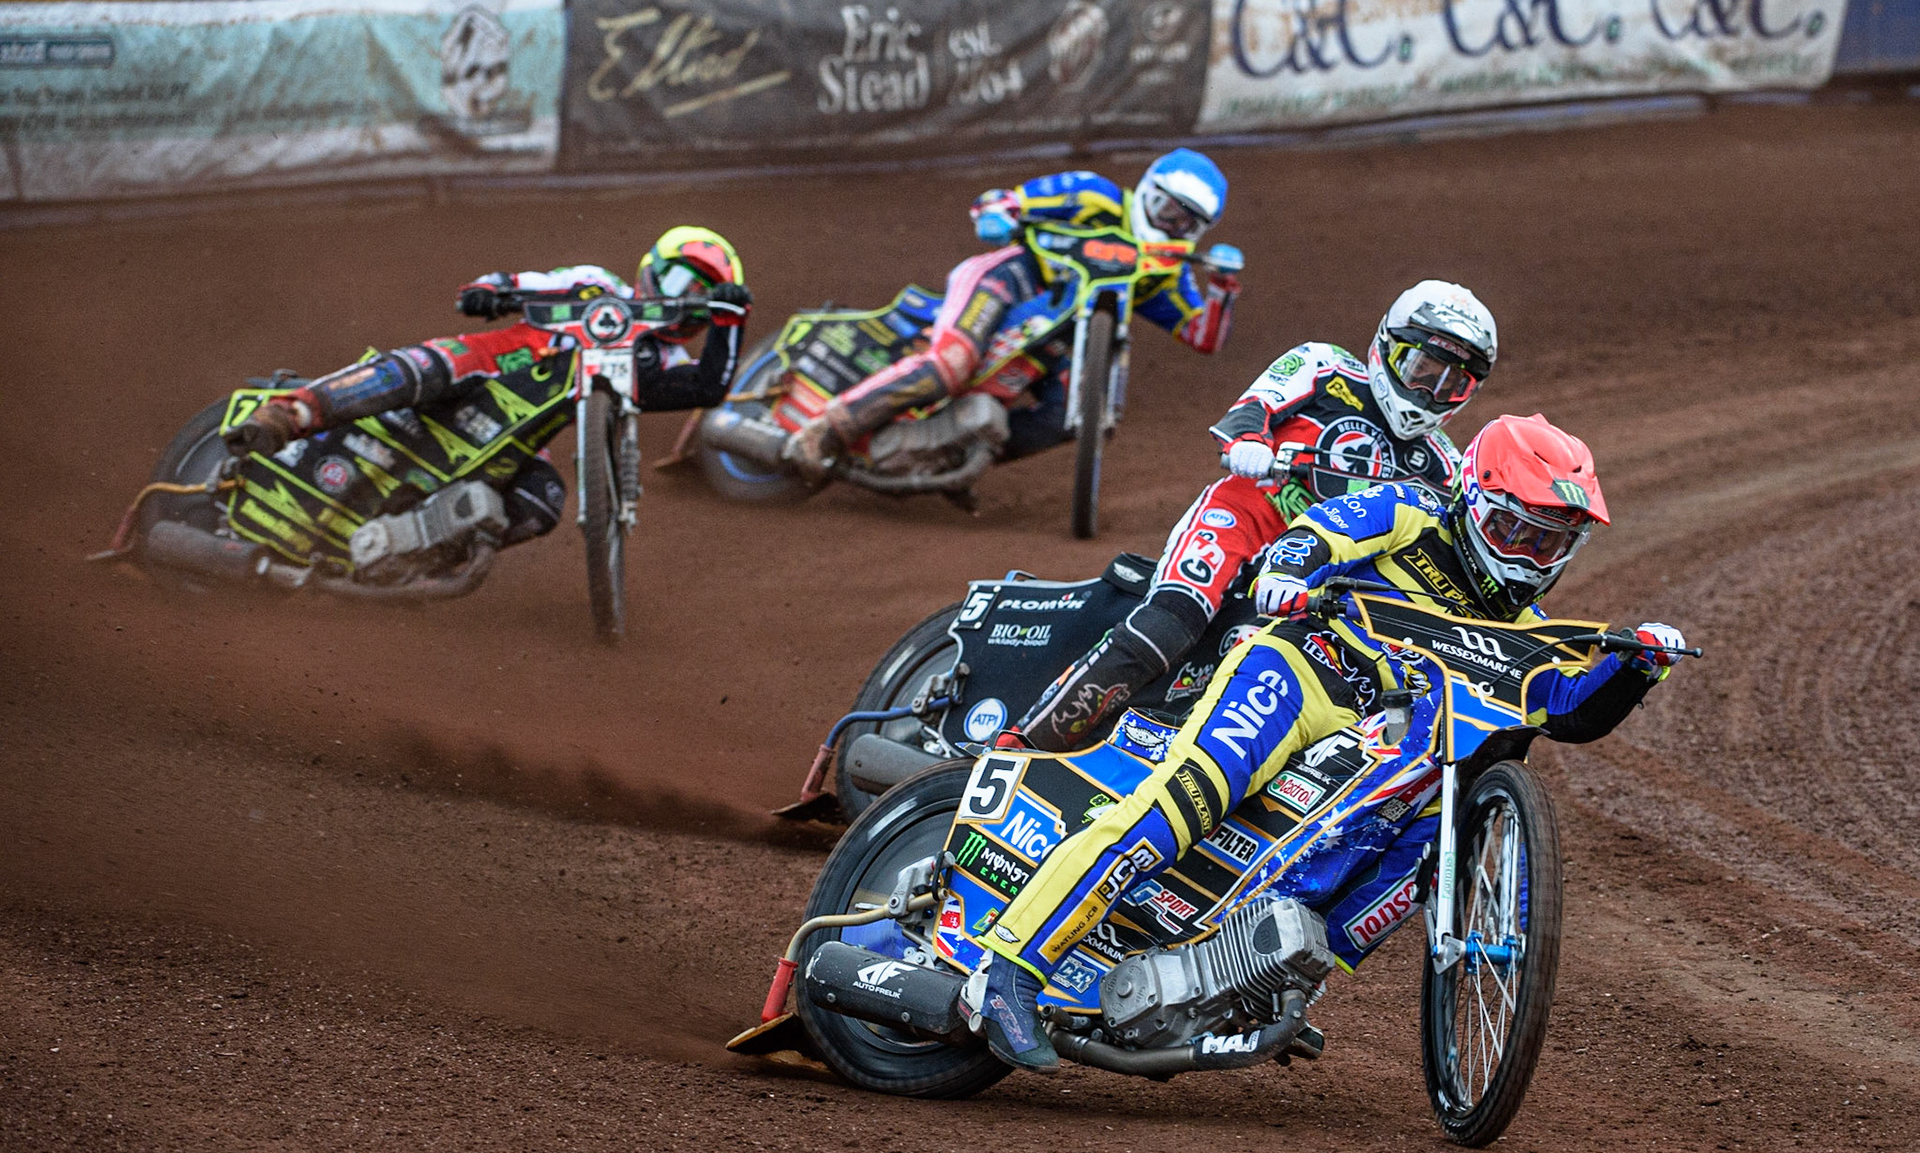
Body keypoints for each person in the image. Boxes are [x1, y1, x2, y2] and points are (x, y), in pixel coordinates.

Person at [964, 413, 1690, 1070]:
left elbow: (1571, 713)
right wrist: (1288, 570)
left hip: (1379, 734)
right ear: (1473, 500)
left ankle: (1249, 972)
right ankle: (1008, 971)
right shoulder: (1412, 509)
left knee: (1405, 839)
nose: (1530, 557)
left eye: (1551, 542)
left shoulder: (1531, 636)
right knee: (1188, 796)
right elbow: (1321, 532)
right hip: (1301, 670)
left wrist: (1637, 669)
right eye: (1515, 531)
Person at [1012, 280, 1495, 751]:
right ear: (1387, 347)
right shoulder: (1325, 366)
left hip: (1318, 580)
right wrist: (1248, 443)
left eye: (1454, 384)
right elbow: (1255, 406)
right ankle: (1021, 742)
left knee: (1276, 678)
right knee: (1169, 623)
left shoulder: (1443, 468)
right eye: (1421, 369)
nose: (1430, 392)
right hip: (1244, 518)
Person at [222, 226, 752, 545]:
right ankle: (289, 413)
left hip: (516, 438)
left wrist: (731, 322)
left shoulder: (663, 361)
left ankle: (413, 556)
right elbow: (524, 284)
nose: (689, 301)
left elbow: (709, 386)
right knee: (423, 368)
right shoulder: (597, 286)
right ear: (652, 270)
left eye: (706, 298)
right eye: (684, 284)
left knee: (542, 501)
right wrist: (491, 290)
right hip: (480, 369)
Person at [784, 148, 1241, 475]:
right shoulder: (1094, 195)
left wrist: (1222, 288)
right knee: (951, 364)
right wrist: (998, 212)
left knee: (1070, 416)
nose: (1170, 224)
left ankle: (949, 456)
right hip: (1012, 281)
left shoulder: (1166, 268)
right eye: (1165, 208)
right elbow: (1009, 200)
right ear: (1147, 189)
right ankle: (826, 429)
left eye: (1185, 222)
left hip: (1058, 341)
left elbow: (1200, 336)